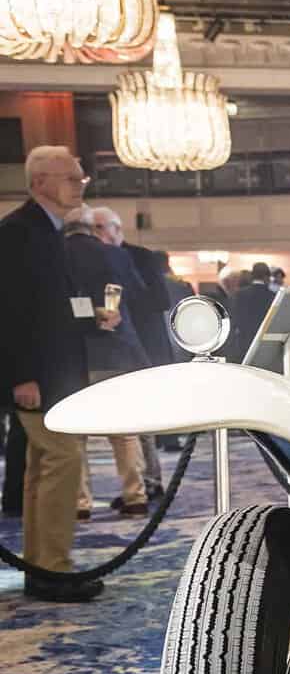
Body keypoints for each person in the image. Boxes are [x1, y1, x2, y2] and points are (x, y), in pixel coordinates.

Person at [0, 146, 101, 601]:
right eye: (71, 178)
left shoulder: (47, 231)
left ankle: (44, 567)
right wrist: (21, 375)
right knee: (62, 461)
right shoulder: (19, 233)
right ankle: (52, 569)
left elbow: (46, 308)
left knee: (44, 467)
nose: (80, 185)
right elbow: (9, 311)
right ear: (40, 182)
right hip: (36, 376)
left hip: (54, 373)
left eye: (81, 178)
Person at [63, 209, 152, 518]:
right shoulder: (116, 255)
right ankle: (135, 497)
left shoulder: (58, 254)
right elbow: (139, 295)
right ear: (93, 229)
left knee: (75, 434)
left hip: (73, 353)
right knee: (124, 431)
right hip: (116, 350)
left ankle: (80, 504)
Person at [87, 204, 167, 496]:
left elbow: (158, 300)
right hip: (115, 346)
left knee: (141, 421)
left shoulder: (141, 257)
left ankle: (153, 480)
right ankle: (141, 483)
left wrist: (123, 306)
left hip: (141, 342)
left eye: (98, 228)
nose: (93, 236)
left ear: (116, 229)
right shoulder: (94, 259)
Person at [225, 262, 275, 363]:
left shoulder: (239, 294)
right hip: (264, 344)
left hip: (243, 342)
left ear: (253, 276)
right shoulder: (273, 296)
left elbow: (233, 319)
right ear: (267, 277)